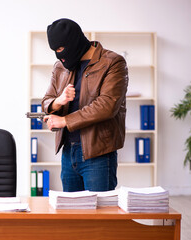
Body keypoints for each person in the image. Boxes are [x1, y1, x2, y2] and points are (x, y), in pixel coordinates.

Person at [42, 18, 128, 192]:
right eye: (55, 50)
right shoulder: (61, 66)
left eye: (61, 49)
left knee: (100, 215)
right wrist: (59, 101)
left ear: (74, 42)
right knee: (71, 216)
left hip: (99, 154)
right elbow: (46, 100)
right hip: (68, 152)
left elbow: (107, 105)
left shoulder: (112, 62)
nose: (59, 55)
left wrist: (64, 121)